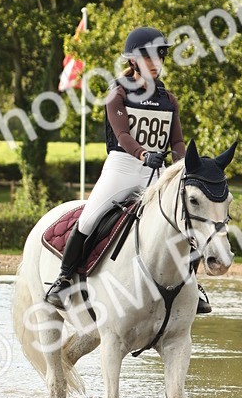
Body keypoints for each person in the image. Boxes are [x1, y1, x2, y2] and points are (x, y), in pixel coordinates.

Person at [44, 25, 211, 313]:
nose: (156, 63)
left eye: (160, 56)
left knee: (186, 219)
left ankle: (192, 286)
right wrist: (144, 153)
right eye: (149, 57)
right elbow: (122, 136)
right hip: (123, 167)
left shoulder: (168, 99)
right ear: (133, 60)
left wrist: (185, 168)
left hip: (158, 172)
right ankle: (62, 281)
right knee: (88, 219)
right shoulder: (118, 94)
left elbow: (177, 141)